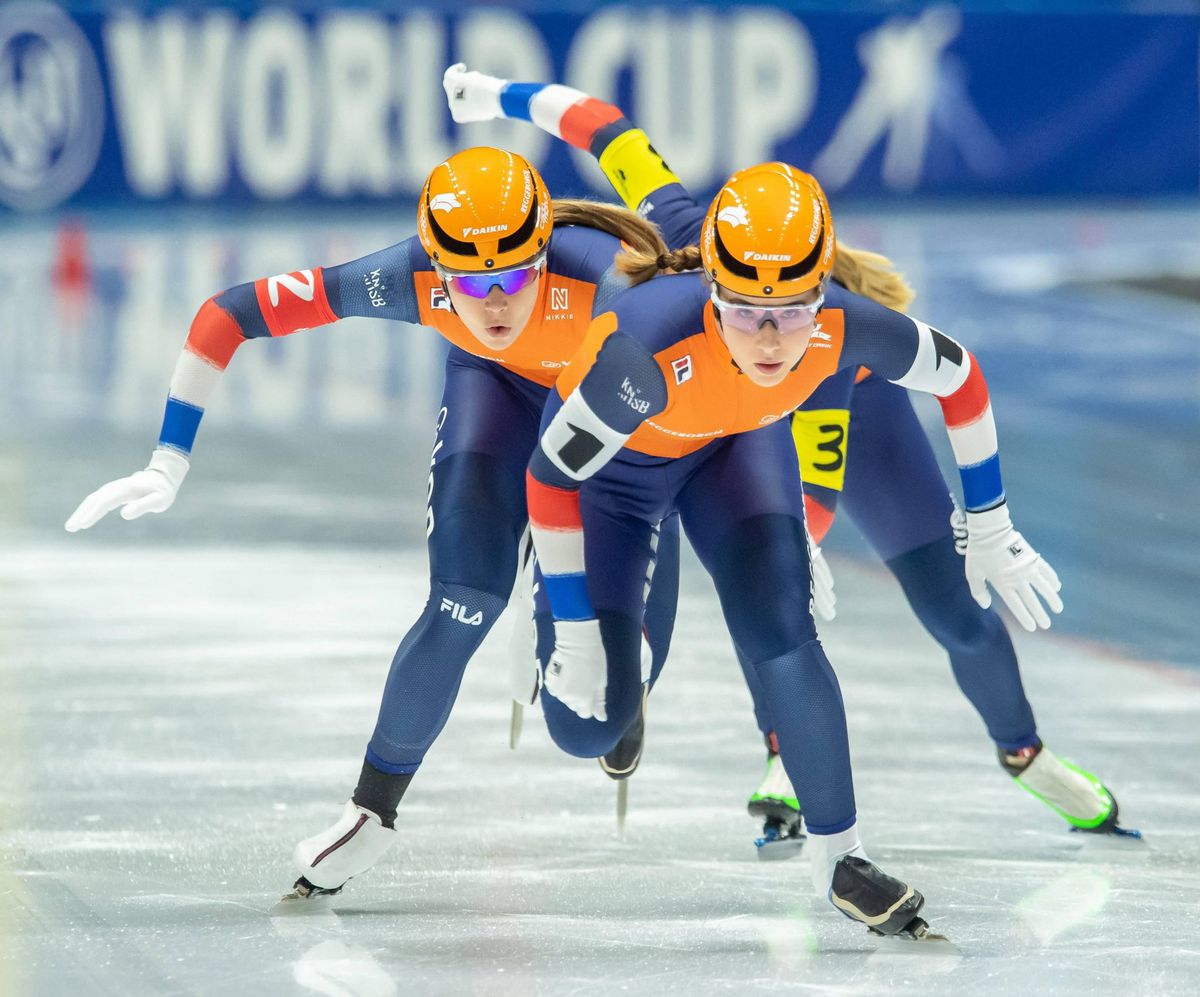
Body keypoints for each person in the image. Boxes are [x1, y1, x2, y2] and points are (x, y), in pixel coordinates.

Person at [444, 66, 1129, 850]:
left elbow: (823, 471)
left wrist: (973, 521)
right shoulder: (673, 240)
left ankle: (1024, 752)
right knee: (774, 598)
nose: (763, 327)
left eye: (785, 304)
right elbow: (600, 126)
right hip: (737, 422)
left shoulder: (828, 336)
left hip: (845, 401)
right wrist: (493, 94)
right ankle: (778, 750)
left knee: (953, 611)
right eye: (741, 303)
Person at [64, 147, 682, 902]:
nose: (492, 304)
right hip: (497, 396)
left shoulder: (603, 275)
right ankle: (371, 810)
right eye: (468, 283)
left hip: (605, 411)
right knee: (464, 599)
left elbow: (725, 372)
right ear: (435, 268)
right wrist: (169, 458)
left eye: (515, 277)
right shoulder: (404, 276)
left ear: (545, 255)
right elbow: (229, 313)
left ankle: (606, 628)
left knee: (600, 717)